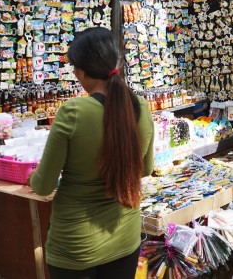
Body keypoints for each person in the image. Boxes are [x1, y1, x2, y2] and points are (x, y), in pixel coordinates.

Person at [29, 27, 155, 279]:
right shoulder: (140, 106)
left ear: (81, 71)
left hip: (77, 247)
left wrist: (31, 177)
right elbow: (146, 169)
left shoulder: (73, 112)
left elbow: (43, 185)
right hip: (125, 240)